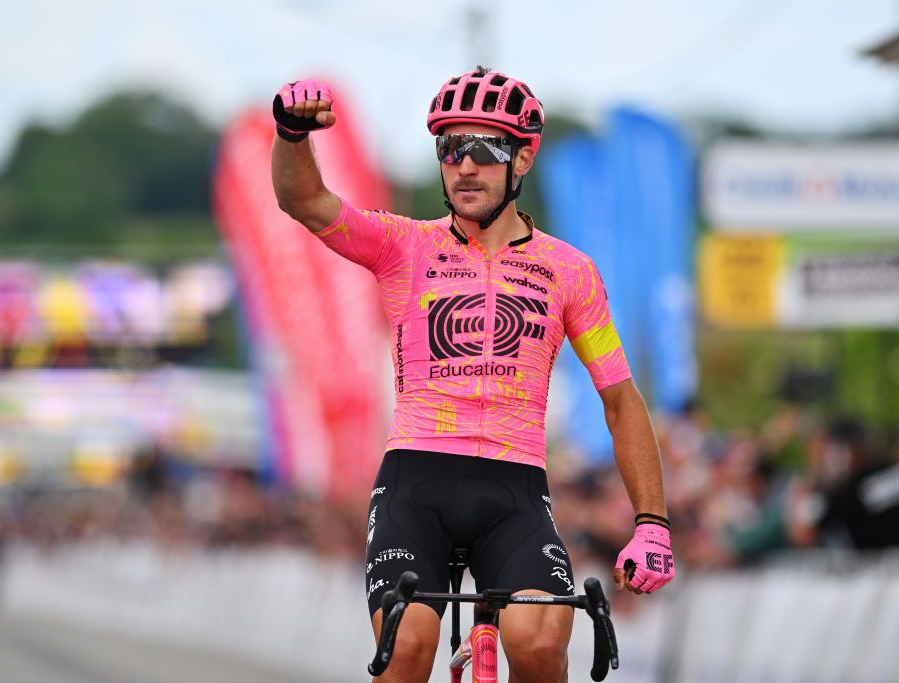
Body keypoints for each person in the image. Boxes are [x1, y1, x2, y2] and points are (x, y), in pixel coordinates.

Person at [271, 67, 674, 683]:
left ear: (523, 157)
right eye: (449, 149)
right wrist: (292, 135)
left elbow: (619, 399)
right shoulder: (401, 245)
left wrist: (652, 523)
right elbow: (304, 201)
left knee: (539, 644)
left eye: (483, 150)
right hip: (416, 483)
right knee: (406, 650)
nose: (463, 166)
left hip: (514, 492)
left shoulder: (571, 272)